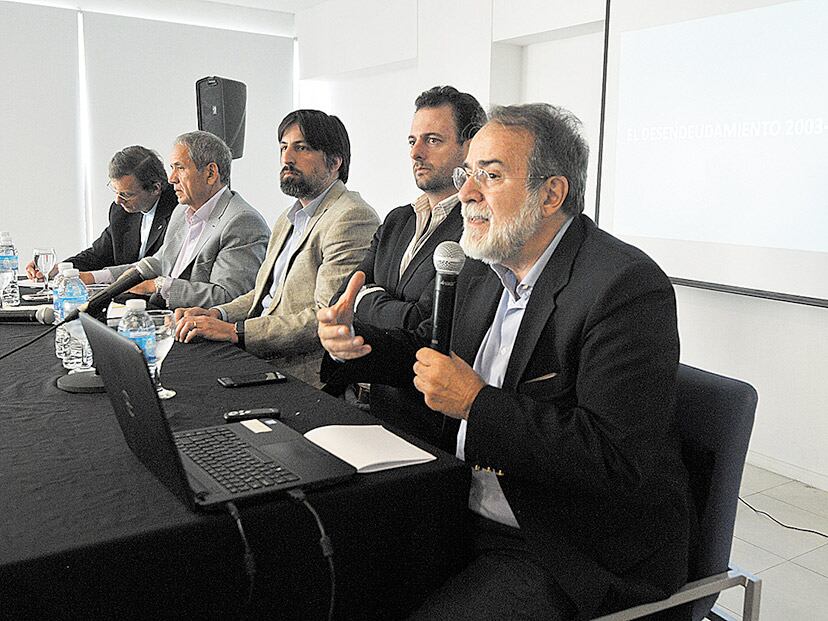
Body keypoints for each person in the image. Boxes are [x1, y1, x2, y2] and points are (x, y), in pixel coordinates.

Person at [317, 104, 692, 620]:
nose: (467, 193)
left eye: (490, 176)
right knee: (320, 574)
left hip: (560, 543)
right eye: (468, 173)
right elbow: (434, 355)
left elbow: (613, 458)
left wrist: (475, 403)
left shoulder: (623, 287)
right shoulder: (483, 265)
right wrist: (358, 344)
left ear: (552, 194)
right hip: (461, 502)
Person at [174, 110, 378, 387]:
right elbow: (263, 296)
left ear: (335, 162)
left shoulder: (350, 217)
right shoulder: (288, 217)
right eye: (283, 147)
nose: (286, 158)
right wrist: (217, 314)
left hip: (303, 375)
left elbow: (325, 317)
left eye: (301, 148)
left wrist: (235, 331)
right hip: (259, 356)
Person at [327, 85, 485, 441]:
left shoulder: (477, 226)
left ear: (469, 146)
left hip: (419, 420)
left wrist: (368, 299)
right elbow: (342, 298)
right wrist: (382, 304)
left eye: (432, 140)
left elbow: (426, 327)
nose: (416, 152)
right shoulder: (397, 219)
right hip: (360, 400)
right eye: (412, 140)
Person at [79, 131, 270, 309]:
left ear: (211, 173)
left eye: (180, 168)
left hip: (200, 333)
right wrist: (96, 278)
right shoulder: (182, 211)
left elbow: (228, 297)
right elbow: (157, 263)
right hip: (165, 316)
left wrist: (159, 285)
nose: (171, 179)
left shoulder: (242, 222)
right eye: (172, 168)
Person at [25, 146, 177, 279]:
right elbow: (98, 255)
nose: (118, 200)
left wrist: (94, 277)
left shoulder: (179, 212)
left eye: (126, 194)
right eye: (115, 191)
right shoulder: (121, 211)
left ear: (155, 188)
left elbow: (161, 265)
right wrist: (59, 268)